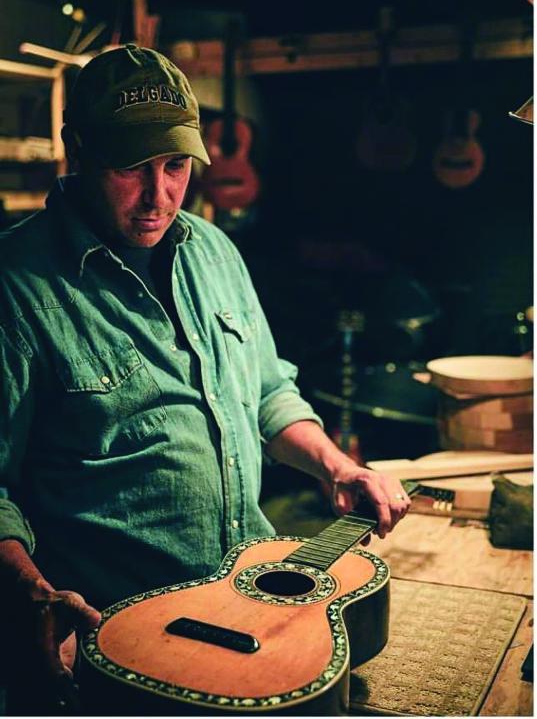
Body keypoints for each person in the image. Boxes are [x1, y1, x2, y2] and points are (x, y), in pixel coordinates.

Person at [0, 44, 410, 713]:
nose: (159, 197)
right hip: (121, 636)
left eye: (175, 166)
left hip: (253, 600)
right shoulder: (14, 286)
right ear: (76, 150)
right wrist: (26, 590)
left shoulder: (214, 249)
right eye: (129, 169)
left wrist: (337, 469)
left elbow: (269, 396)